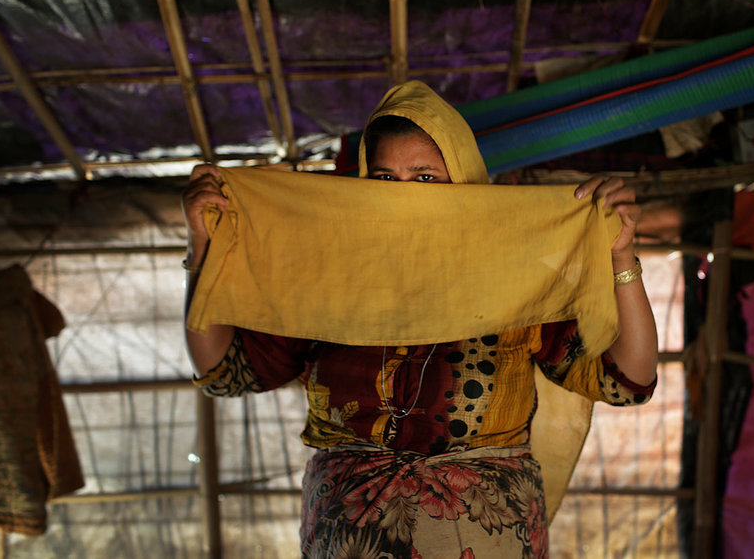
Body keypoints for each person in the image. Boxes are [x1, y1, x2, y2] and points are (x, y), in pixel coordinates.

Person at [181, 81, 658, 558]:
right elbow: (224, 373)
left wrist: (622, 256)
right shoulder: (326, 275)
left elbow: (628, 380)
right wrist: (201, 244)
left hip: (485, 535)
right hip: (349, 538)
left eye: (425, 178)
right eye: (386, 179)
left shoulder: (516, 277)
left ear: (463, 183)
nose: (404, 198)